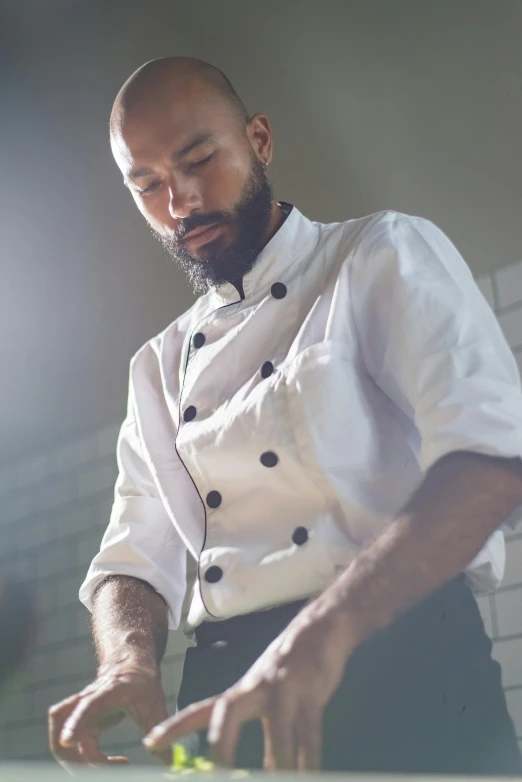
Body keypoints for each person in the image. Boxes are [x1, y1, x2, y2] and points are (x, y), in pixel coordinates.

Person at [48, 57, 522, 773]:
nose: (178, 202)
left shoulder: (377, 254)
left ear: (260, 140)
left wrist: (321, 638)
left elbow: (491, 459)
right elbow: (133, 560)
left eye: (198, 159)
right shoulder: (157, 364)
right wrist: (127, 663)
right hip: (222, 701)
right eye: (146, 185)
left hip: (405, 665)